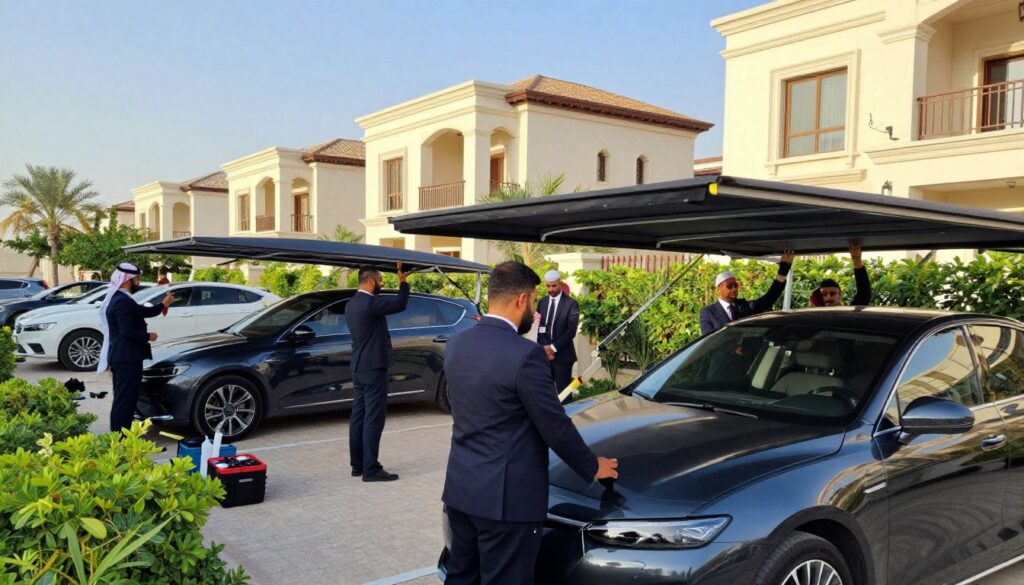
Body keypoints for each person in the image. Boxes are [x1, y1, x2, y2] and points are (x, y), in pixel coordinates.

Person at [442, 261, 619, 585]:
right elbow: (554, 424)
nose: (534, 312)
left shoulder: (457, 344)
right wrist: (593, 466)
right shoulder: (526, 354)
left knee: (461, 577)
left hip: (461, 490)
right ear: (522, 299)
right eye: (534, 300)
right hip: (507, 503)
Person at [345, 263, 410, 482]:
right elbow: (400, 304)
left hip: (358, 367)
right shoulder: (370, 304)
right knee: (373, 419)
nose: (381, 284)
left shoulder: (351, 304)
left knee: (358, 418)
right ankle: (371, 469)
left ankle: (358, 465)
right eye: (381, 280)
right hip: (373, 369)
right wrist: (403, 281)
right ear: (371, 280)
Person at [97, 262, 173, 432]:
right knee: (125, 402)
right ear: (126, 281)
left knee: (124, 400)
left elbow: (145, 312)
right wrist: (148, 336)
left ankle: (119, 436)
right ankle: (119, 439)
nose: (138, 282)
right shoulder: (122, 301)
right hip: (126, 359)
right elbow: (127, 332)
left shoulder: (121, 299)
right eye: (136, 279)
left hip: (124, 357)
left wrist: (164, 303)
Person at [699, 250, 796, 335]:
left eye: (735, 285)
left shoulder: (744, 306)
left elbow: (768, 299)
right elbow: (709, 339)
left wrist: (783, 271)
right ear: (718, 289)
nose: (734, 289)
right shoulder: (708, 312)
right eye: (729, 286)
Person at [536, 269, 580, 391]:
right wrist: (545, 348)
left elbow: (571, 331)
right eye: (548, 286)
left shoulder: (571, 304)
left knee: (564, 394)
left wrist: (553, 349)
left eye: (554, 286)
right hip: (544, 356)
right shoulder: (542, 302)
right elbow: (539, 328)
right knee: (545, 393)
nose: (551, 289)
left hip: (563, 357)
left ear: (560, 284)